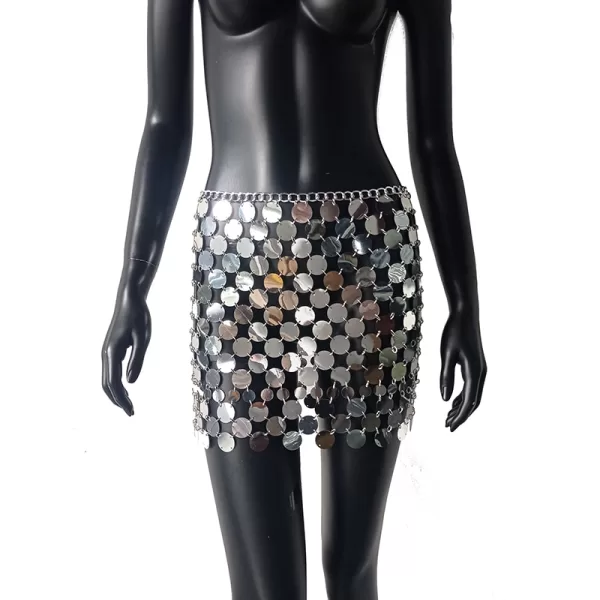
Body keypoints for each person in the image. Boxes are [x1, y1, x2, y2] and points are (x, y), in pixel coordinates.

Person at [101, 1, 487, 598]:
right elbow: (164, 124)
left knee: (352, 568)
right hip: (234, 267)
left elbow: (434, 142)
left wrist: (466, 304)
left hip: (368, 259)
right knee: (264, 583)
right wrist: (133, 283)